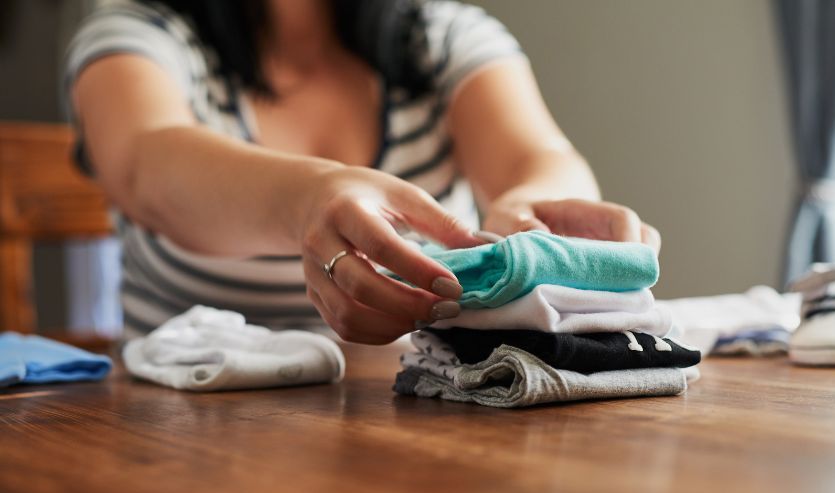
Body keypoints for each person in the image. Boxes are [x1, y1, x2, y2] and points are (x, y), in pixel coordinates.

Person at [65, 0, 661, 343]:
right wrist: (307, 200)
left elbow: (540, 157)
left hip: (414, 437)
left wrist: (533, 206)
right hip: (170, 449)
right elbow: (147, 165)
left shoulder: (441, 37)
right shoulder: (137, 32)